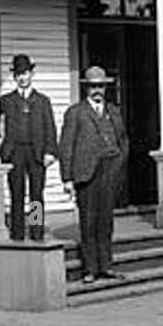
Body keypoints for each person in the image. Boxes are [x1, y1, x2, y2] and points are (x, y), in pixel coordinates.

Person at [59, 66, 129, 283]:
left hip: (109, 171)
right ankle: (90, 268)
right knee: (88, 221)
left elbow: (123, 141)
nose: (96, 90)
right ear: (85, 88)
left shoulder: (113, 112)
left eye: (100, 86)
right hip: (85, 173)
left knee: (105, 221)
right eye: (92, 86)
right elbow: (66, 146)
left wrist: (119, 164)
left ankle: (106, 266)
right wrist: (67, 178)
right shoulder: (76, 112)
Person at [0, 54, 59, 242]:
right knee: (16, 193)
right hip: (14, 151)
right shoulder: (6, 101)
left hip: (37, 152)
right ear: (14, 77)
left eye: (25, 73)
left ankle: (36, 231)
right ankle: (17, 232)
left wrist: (50, 152)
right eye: (18, 74)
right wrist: (0, 145)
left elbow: (50, 127)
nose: (22, 77)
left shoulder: (42, 101)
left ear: (32, 74)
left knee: (36, 194)